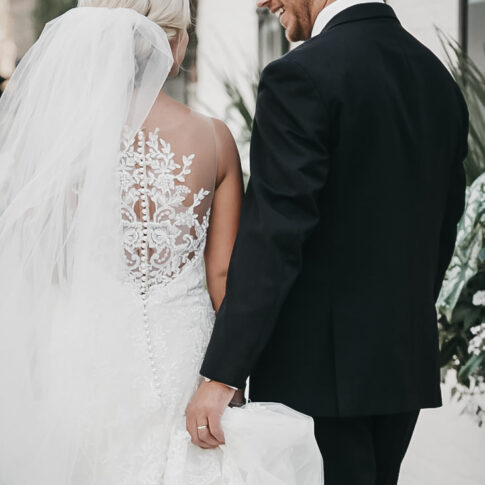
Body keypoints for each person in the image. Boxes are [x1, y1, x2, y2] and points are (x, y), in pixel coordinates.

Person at [0, 1, 323, 484]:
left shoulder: (65, 144)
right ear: (172, 46)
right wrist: (230, 375)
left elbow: (46, 263)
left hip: (88, 351)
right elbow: (222, 273)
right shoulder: (214, 138)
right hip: (187, 353)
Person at [189, 1, 469, 484]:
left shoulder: (299, 76)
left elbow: (274, 234)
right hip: (401, 367)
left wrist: (223, 373)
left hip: (315, 375)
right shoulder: (438, 81)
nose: (263, 2)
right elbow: (445, 226)